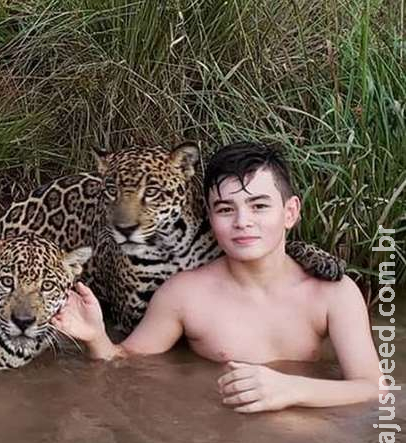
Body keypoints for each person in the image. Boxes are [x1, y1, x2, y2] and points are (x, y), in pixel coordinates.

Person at [51, 141, 380, 413]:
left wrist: (291, 388)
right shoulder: (183, 295)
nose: (242, 221)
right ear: (209, 216)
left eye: (259, 206)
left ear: (290, 212)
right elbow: (124, 362)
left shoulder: (333, 294)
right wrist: (95, 336)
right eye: (225, 209)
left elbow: (375, 390)